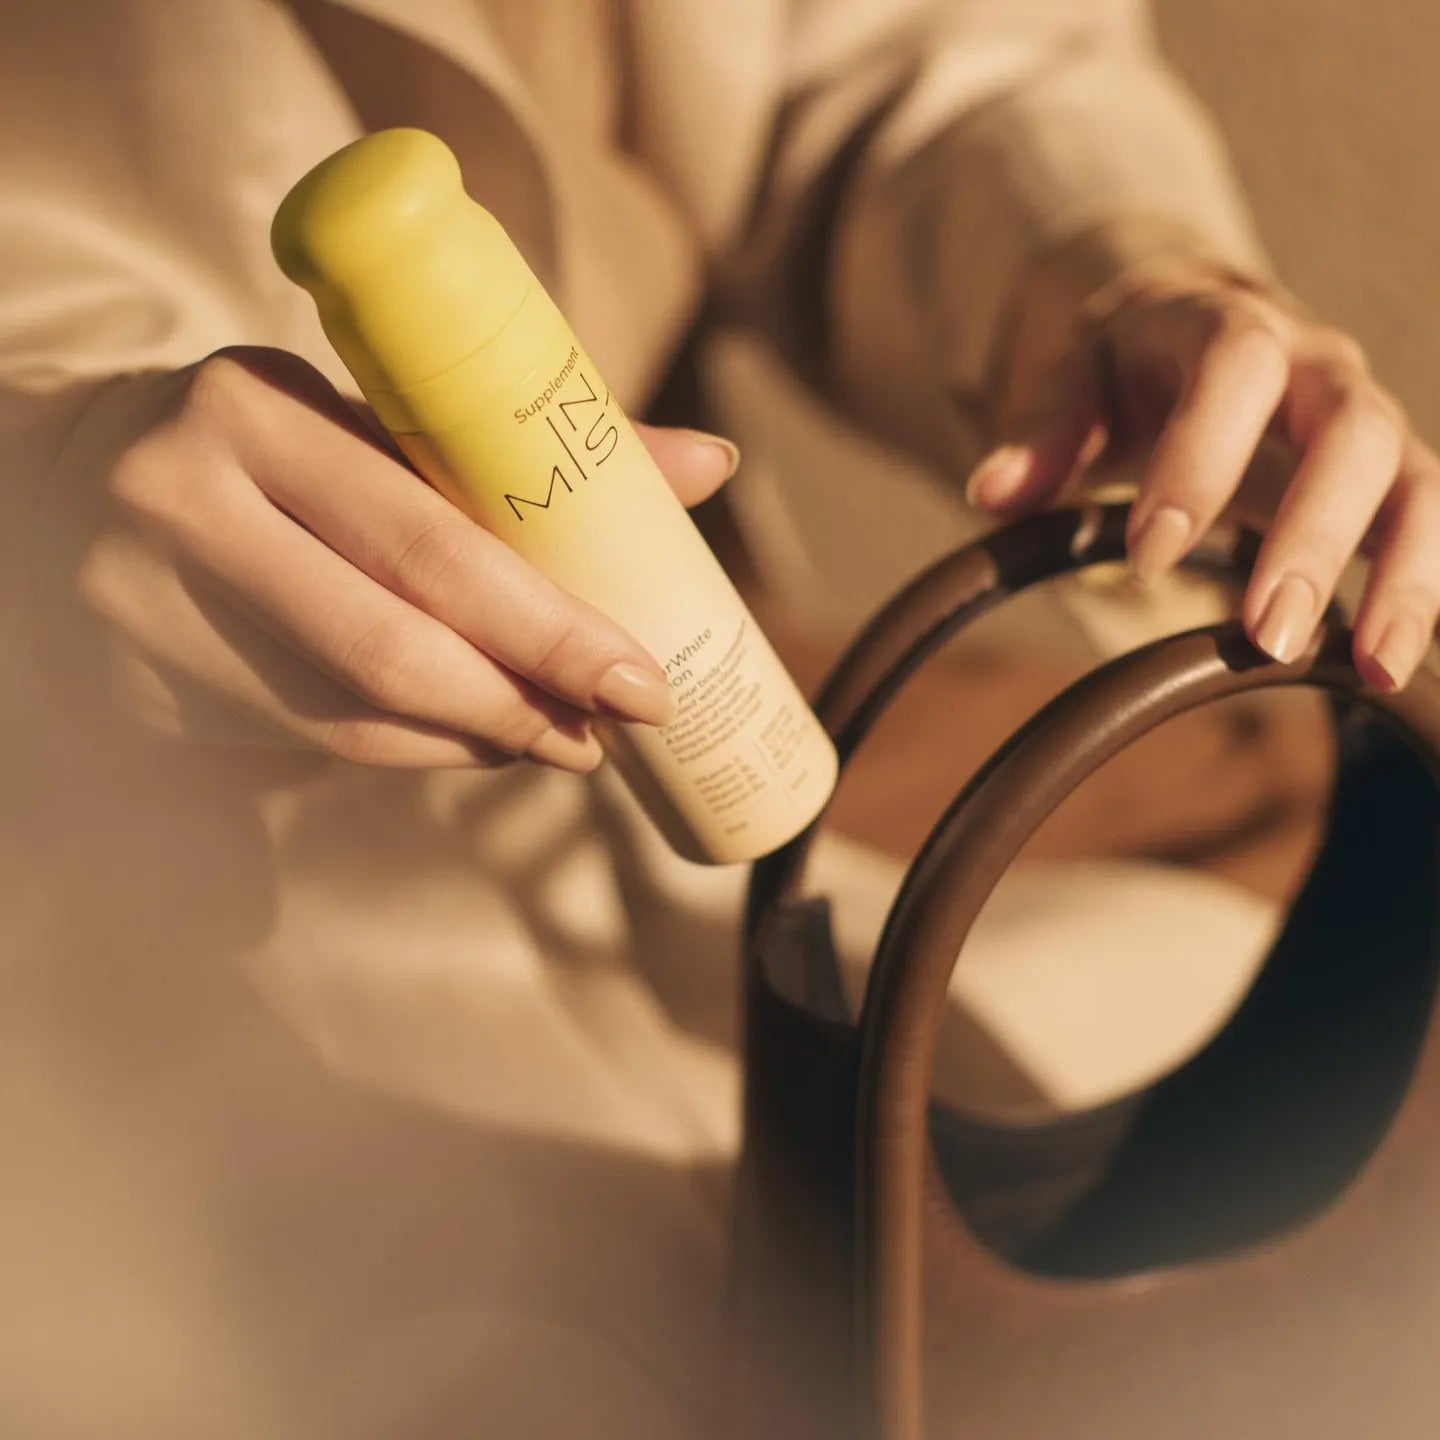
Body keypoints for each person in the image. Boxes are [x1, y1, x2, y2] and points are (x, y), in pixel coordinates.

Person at [0, 3, 1432, 1437]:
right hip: (110, 916)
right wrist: (35, 499)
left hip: (694, 726)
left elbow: (901, 54)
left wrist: (1112, 272)